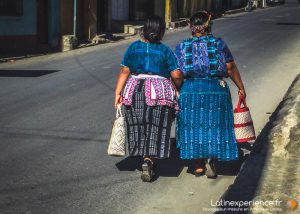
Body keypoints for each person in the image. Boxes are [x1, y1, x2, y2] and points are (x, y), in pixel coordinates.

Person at [175, 11, 246, 178]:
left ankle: (198, 164)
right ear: (209, 26)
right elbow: (230, 68)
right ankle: (211, 159)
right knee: (214, 125)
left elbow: (177, 74)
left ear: (190, 27)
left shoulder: (182, 47)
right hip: (216, 89)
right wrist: (241, 87)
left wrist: (180, 90)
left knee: (194, 126)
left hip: (190, 90)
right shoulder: (218, 44)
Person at [114, 16, 183, 182]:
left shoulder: (133, 47)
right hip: (159, 93)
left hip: (135, 90)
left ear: (144, 29)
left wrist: (117, 93)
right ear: (161, 32)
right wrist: (179, 87)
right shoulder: (165, 50)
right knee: (157, 126)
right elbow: (176, 74)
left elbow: (124, 71)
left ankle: (143, 156)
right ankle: (150, 158)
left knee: (139, 125)